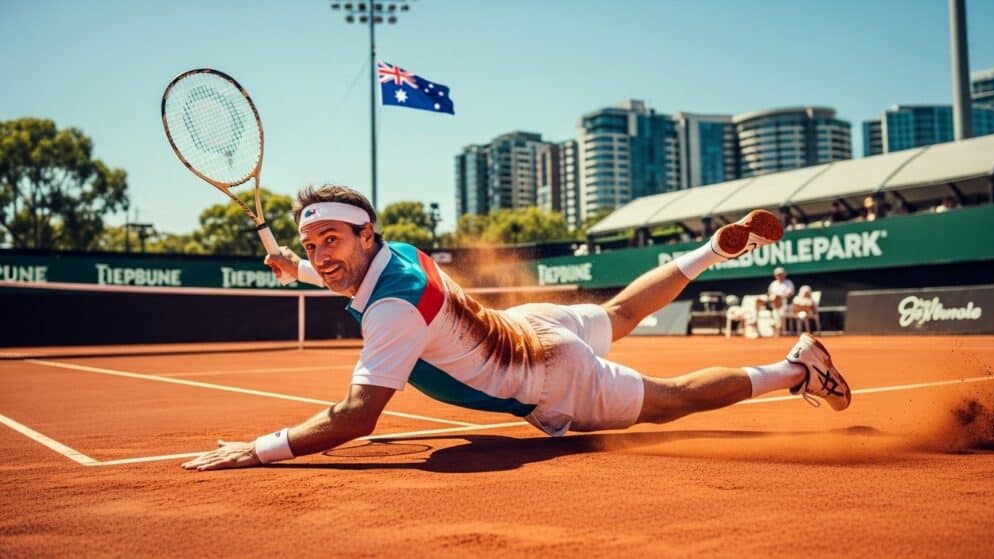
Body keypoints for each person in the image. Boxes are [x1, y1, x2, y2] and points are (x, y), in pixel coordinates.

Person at [182, 185, 852, 471]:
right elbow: (351, 272)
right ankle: (710, 250)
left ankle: (798, 367)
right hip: (526, 324)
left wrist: (262, 448)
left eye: (332, 240)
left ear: (366, 234)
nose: (325, 255)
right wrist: (299, 265)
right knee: (619, 312)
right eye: (315, 244)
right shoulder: (403, 254)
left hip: (550, 374)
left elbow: (359, 416)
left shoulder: (390, 309)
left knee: (673, 399)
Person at [766, 266, 795, 336]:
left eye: (781, 274)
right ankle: (777, 329)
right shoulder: (773, 284)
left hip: (786, 304)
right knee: (775, 312)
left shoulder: (789, 283)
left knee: (780, 312)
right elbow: (769, 294)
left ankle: (778, 329)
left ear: (784, 274)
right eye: (778, 275)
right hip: (774, 305)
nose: (779, 276)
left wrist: (780, 297)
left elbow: (790, 294)